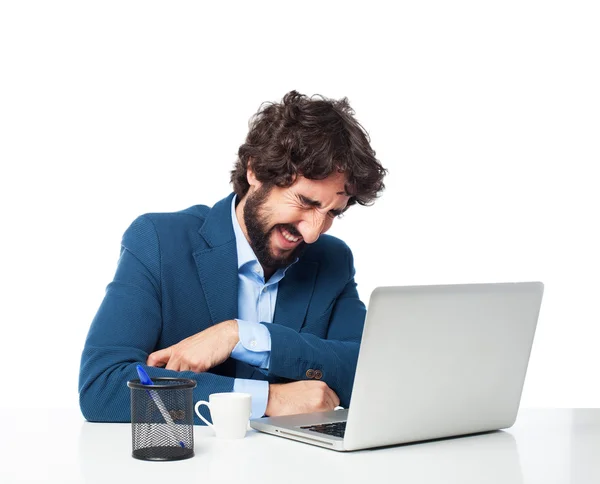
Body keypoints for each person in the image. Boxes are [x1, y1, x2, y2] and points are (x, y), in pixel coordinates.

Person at [78, 90, 387, 423]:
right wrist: (267, 400)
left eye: (331, 212)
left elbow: (370, 372)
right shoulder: (158, 241)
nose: (313, 232)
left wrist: (242, 336)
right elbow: (103, 386)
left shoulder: (331, 260)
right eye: (307, 202)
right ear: (256, 172)